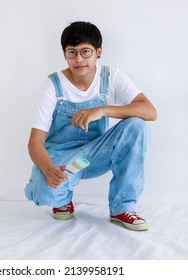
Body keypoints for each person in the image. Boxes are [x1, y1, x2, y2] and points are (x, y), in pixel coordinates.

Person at [24, 21, 157, 231]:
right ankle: (61, 199)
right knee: (46, 193)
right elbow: (35, 142)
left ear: (98, 52)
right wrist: (49, 170)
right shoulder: (51, 86)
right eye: (72, 52)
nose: (79, 60)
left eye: (86, 52)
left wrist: (102, 110)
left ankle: (122, 208)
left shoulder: (111, 77)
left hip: (95, 155)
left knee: (137, 126)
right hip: (62, 159)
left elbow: (150, 111)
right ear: (64, 54)